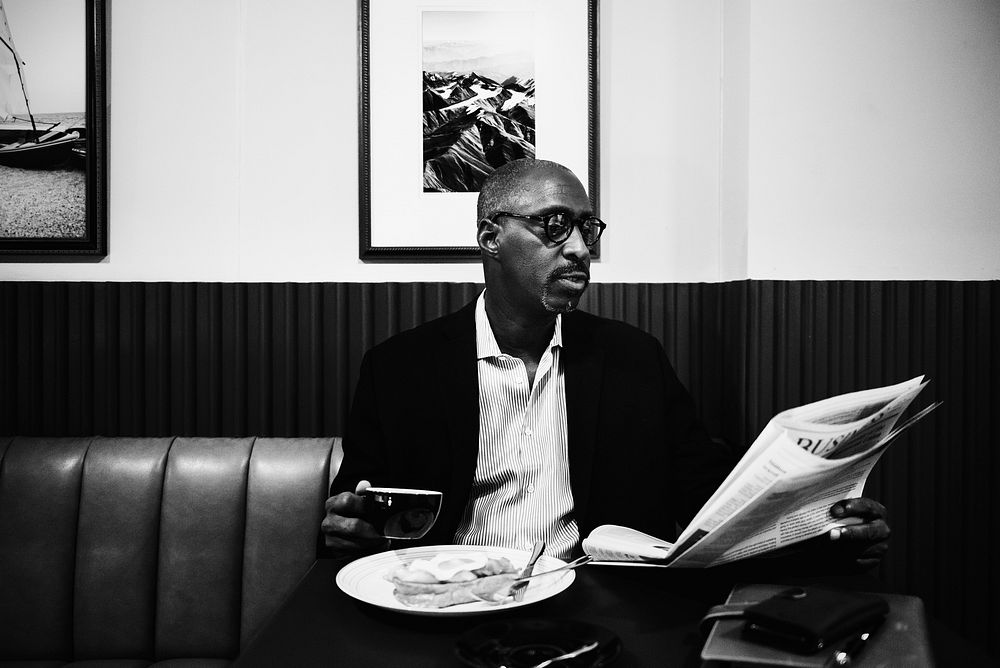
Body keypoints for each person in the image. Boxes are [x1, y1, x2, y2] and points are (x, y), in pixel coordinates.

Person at [322, 158, 889, 570]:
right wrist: (350, 528)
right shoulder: (399, 369)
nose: (578, 249)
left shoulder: (632, 359)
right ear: (490, 237)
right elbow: (361, 510)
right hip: (453, 604)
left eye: (586, 229)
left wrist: (816, 523)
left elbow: (705, 491)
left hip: (599, 604)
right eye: (553, 225)